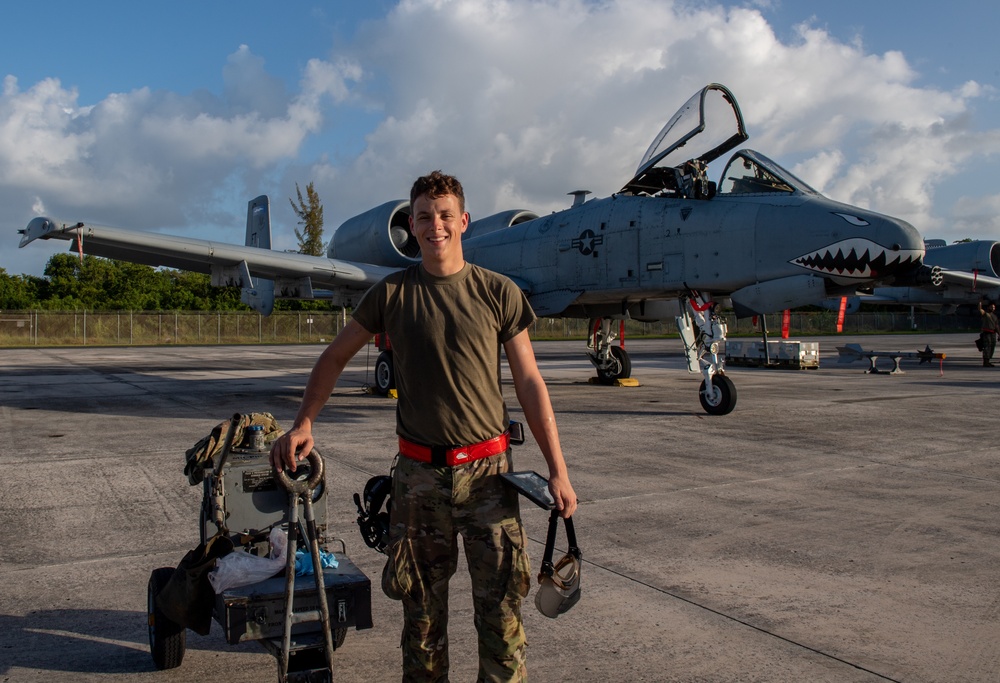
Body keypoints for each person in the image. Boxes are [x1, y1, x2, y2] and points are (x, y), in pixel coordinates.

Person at [270, 170, 577, 682]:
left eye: (444, 215)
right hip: (418, 480)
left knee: (502, 615)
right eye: (424, 217)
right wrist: (304, 421)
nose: (435, 225)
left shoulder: (497, 293)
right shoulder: (390, 295)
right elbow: (334, 356)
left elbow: (530, 382)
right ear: (411, 225)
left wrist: (558, 471)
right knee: (422, 621)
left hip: (489, 477)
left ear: (464, 221)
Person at [979, 300, 998, 367]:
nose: (992, 308)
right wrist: (980, 302)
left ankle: (988, 360)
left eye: (994, 307)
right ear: (988, 307)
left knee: (992, 347)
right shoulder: (985, 314)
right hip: (986, 333)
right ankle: (986, 362)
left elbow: (996, 326)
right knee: (987, 347)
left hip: (993, 334)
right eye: (991, 307)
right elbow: (980, 309)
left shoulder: (995, 316)